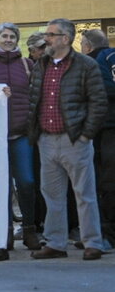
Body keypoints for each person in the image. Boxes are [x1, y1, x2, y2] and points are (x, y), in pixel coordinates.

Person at [28, 18, 107, 261]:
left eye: (51, 34)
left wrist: (85, 135)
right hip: (47, 140)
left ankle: (92, 242)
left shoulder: (85, 65)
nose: (47, 39)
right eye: (47, 34)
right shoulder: (41, 65)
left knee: (84, 193)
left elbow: (98, 102)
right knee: (52, 195)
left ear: (66, 38)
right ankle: (55, 243)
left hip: (74, 140)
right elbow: (34, 99)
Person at [0, 23, 41, 261]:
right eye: (4, 36)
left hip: (21, 133)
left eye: (12, 36)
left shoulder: (27, 65)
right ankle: (4, 233)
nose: (8, 39)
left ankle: (29, 230)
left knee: (26, 182)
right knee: (1, 187)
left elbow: (36, 95)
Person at [79, 28, 115, 248]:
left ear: (88, 46)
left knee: (101, 182)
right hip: (107, 128)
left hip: (101, 129)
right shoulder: (111, 58)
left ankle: (106, 233)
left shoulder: (89, 63)